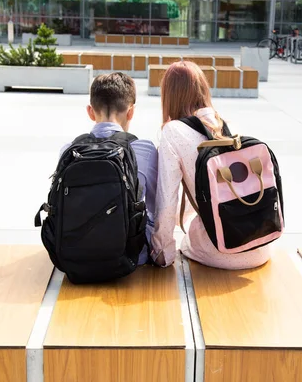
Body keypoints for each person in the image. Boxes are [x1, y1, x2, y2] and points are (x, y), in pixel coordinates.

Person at [150, 61, 272, 269]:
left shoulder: (173, 131)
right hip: (260, 243)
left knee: (190, 240)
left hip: (218, 249)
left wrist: (163, 252)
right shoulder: (228, 125)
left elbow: (167, 201)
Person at [60, 72, 158, 265]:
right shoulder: (144, 149)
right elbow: (157, 209)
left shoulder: (69, 150)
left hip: (74, 257)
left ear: (90, 111)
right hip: (130, 256)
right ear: (131, 112)